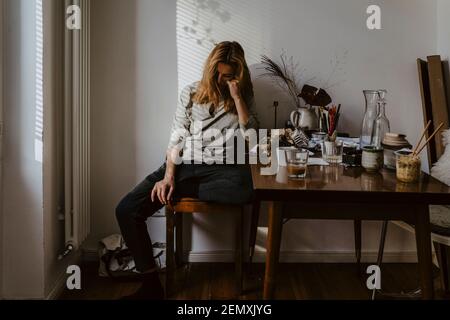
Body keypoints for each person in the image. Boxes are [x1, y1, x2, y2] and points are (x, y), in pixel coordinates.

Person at [115, 41, 259, 299]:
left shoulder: (244, 95)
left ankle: (178, 188)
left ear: (238, 74)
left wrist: (237, 97)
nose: (218, 79)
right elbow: (177, 138)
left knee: (246, 190)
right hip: (184, 166)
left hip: (224, 169)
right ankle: (150, 287)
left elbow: (252, 137)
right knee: (126, 210)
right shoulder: (190, 92)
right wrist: (169, 176)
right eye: (216, 72)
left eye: (225, 75)